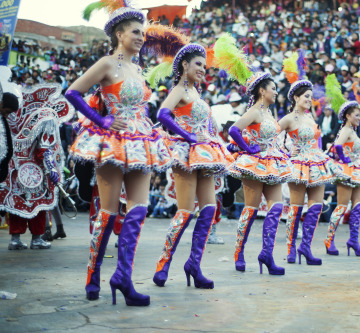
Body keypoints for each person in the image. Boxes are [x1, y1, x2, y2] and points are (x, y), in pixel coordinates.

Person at [67, 3, 171, 306]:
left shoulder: (139, 69)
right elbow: (73, 92)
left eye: (143, 33)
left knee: (139, 210)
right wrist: (103, 120)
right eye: (136, 32)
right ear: (119, 33)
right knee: (109, 212)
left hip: (141, 140)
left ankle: (123, 277)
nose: (141, 37)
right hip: (112, 141)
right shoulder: (107, 63)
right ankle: (93, 275)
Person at [146, 29, 234, 289]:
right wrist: (187, 136)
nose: (202, 70)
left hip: (205, 154)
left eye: (204, 67)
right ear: (184, 65)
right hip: (185, 153)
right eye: (198, 64)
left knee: (208, 210)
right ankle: (163, 264)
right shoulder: (180, 89)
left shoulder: (198, 95)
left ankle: (194, 265)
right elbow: (163, 114)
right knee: (185, 212)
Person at [228, 71, 291, 275]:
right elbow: (234, 130)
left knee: (276, 208)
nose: (276, 92)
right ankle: (239, 253)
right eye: (273, 88)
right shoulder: (255, 111)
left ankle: (267, 254)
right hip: (255, 166)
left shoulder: (269, 112)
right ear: (262, 91)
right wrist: (248, 148)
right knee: (251, 210)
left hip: (272, 163)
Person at [0, 76, 71, 251]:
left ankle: (20, 238)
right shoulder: (45, 117)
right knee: (31, 205)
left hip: (19, 169)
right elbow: (44, 149)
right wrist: (51, 167)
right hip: (28, 171)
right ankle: (33, 238)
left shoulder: (15, 116)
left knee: (24, 204)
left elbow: (43, 148)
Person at [279, 55, 337, 266]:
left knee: (315, 208)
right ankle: (291, 248)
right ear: (295, 97)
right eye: (305, 96)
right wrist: (287, 153)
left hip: (316, 164)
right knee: (296, 209)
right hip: (298, 166)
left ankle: (306, 247)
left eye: (310, 96)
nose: (308, 99)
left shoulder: (311, 118)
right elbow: (273, 137)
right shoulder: (289, 118)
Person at [324, 100, 360, 257]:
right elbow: (338, 146)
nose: (359, 118)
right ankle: (329, 240)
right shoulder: (346, 130)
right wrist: (345, 161)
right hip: (347, 171)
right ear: (347, 116)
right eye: (356, 115)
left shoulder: (352, 131)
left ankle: (354, 241)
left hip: (356, 170)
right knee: (341, 206)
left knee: (358, 206)